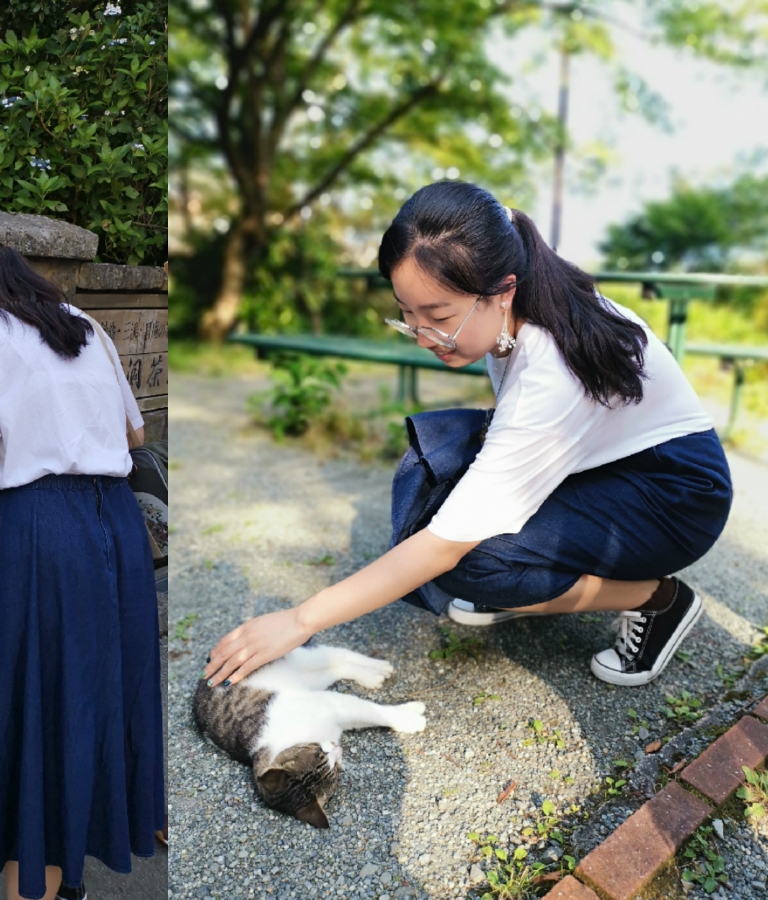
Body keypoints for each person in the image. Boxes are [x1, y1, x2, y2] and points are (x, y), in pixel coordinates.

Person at [204, 180, 733, 691]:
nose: (423, 336)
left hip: (677, 496)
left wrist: (299, 620)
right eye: (407, 315)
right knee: (441, 497)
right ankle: (540, 580)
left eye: (438, 316)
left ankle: (657, 598)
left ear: (502, 290)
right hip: (614, 465)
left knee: (473, 562)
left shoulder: (549, 368)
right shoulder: (528, 301)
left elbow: (441, 549)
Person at [0, 241, 165, 900]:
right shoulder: (83, 325)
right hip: (117, 529)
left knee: (28, 704)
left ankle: (36, 879)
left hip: (41, 532)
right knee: (93, 696)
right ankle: (63, 874)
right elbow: (134, 437)